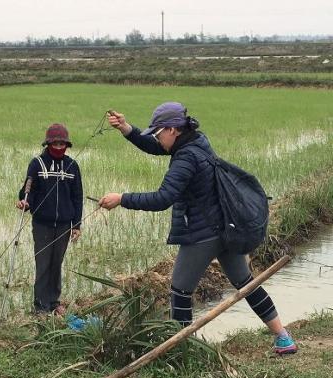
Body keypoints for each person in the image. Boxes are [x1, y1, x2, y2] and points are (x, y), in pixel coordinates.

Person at [99, 102, 297, 355]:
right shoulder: (197, 141)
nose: (157, 139)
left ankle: (180, 352)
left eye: (158, 133)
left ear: (172, 130)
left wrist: (122, 198)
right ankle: (283, 336)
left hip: (204, 233)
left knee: (180, 290)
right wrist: (127, 129)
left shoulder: (185, 158)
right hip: (227, 226)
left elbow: (163, 198)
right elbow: (158, 148)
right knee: (246, 283)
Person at [16, 123, 83, 315]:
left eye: (63, 144)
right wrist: (25, 202)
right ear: (48, 143)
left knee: (56, 263)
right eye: (56, 143)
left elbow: (77, 196)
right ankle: (40, 306)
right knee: (43, 263)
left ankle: (54, 302)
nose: (59, 147)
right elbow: (28, 191)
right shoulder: (37, 163)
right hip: (42, 224)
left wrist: (76, 225)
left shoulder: (72, 165)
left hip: (63, 224)